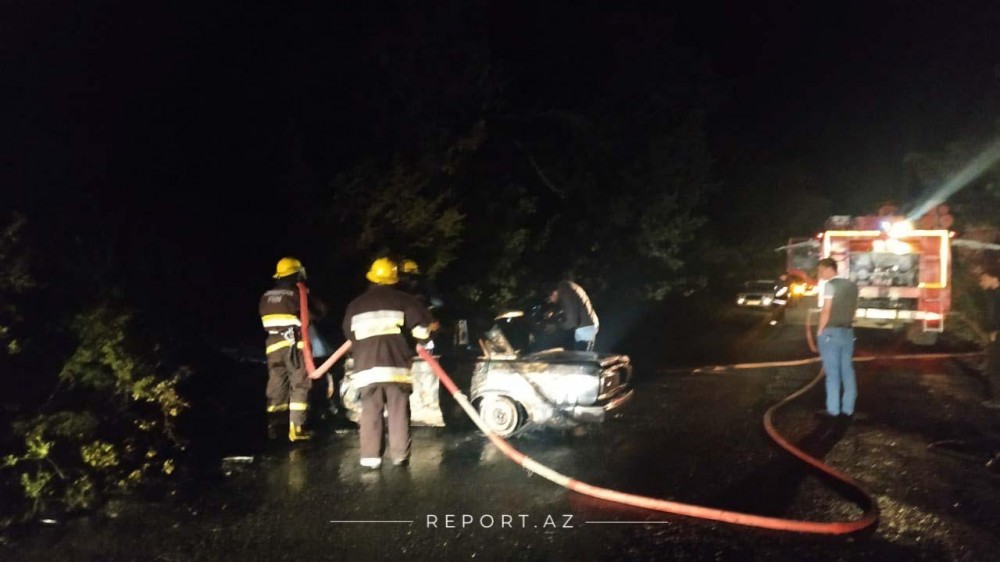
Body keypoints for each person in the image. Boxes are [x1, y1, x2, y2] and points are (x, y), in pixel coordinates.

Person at [343, 257, 435, 469]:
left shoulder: (355, 305)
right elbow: (422, 332)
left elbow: (349, 334)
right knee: (398, 411)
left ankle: (370, 458)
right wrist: (416, 342)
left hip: (366, 368)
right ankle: (400, 456)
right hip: (396, 366)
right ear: (395, 279)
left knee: (370, 411)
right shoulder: (404, 301)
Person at [259, 257, 314, 442]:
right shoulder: (297, 294)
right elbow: (312, 315)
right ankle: (296, 429)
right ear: (296, 274)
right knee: (299, 383)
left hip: (272, 345)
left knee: (276, 384)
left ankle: (275, 427)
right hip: (293, 344)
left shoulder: (266, 295)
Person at [815, 257, 860, 418]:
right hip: (848, 333)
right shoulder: (853, 286)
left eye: (821, 271)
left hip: (831, 333)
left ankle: (833, 410)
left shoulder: (830, 285)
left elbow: (826, 311)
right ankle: (848, 409)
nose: (819, 274)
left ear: (829, 269)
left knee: (832, 373)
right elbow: (853, 310)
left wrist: (820, 330)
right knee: (847, 370)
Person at [549, 279, 599, 351]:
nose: (551, 301)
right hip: (589, 325)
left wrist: (556, 327)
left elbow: (572, 321)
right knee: (587, 358)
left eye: (549, 299)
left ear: (554, 293)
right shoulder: (568, 287)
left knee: (580, 359)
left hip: (584, 329)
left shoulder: (565, 292)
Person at [979, 267, 1000, 409]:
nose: (981, 283)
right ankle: (995, 398)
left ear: (994, 278)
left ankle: (997, 400)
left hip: (997, 336)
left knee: (994, 368)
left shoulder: (996, 295)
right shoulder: (991, 294)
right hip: (994, 335)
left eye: (984, 279)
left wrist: (995, 331)